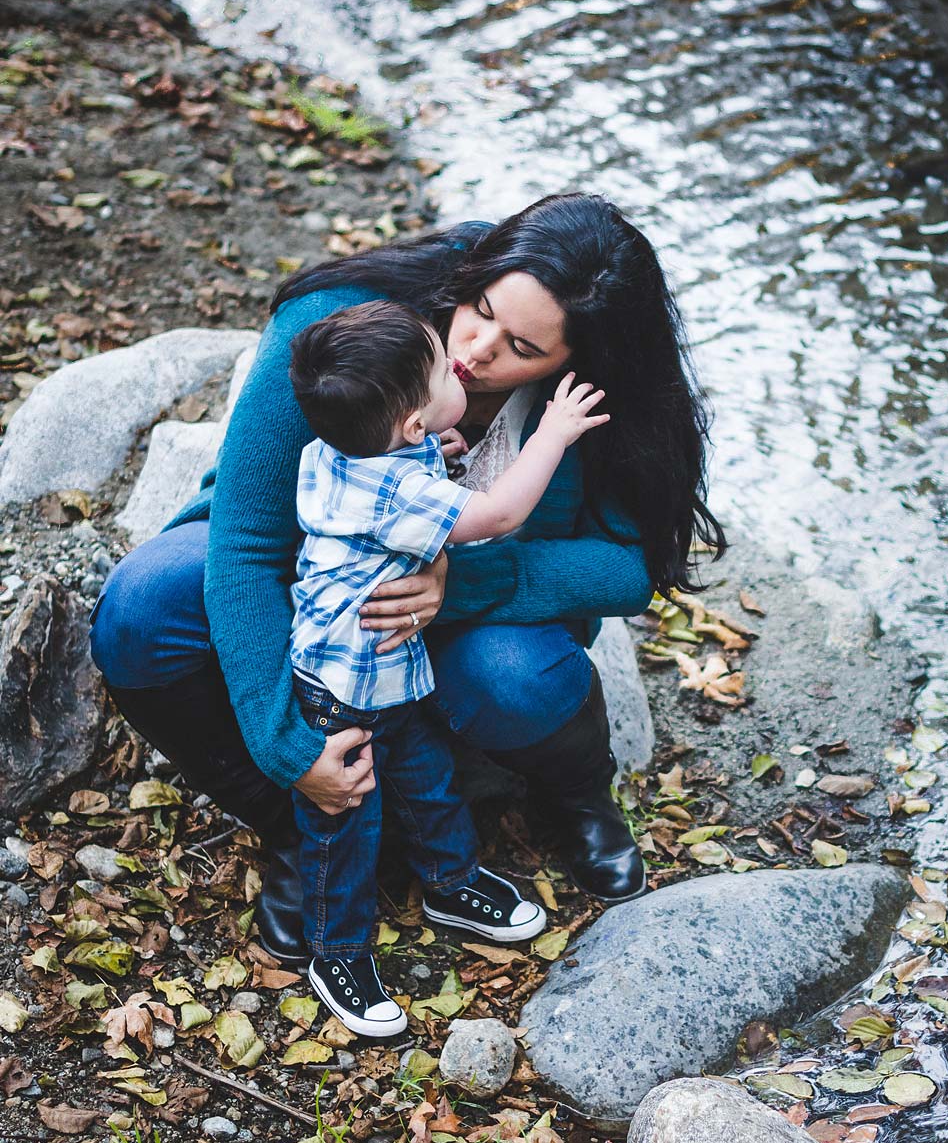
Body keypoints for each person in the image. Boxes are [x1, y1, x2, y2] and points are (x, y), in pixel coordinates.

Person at [89, 192, 726, 976]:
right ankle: (298, 824)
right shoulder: (347, 327)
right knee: (141, 611)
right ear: (474, 269)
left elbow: (627, 570)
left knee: (510, 676)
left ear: (576, 360)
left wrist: (457, 582)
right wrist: (286, 750)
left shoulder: (595, 401)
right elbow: (250, 544)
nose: (477, 350)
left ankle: (579, 794)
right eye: (480, 308)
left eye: (521, 345)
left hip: (467, 617)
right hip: (308, 573)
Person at [286, 300, 611, 1034]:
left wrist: (441, 447)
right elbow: (493, 516)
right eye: (441, 370)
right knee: (347, 826)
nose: (457, 362)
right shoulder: (398, 489)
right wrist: (551, 436)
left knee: (429, 785)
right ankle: (336, 949)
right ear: (411, 423)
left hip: (383, 677)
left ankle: (450, 884)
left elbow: (412, 472)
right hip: (345, 696)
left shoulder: (344, 447)